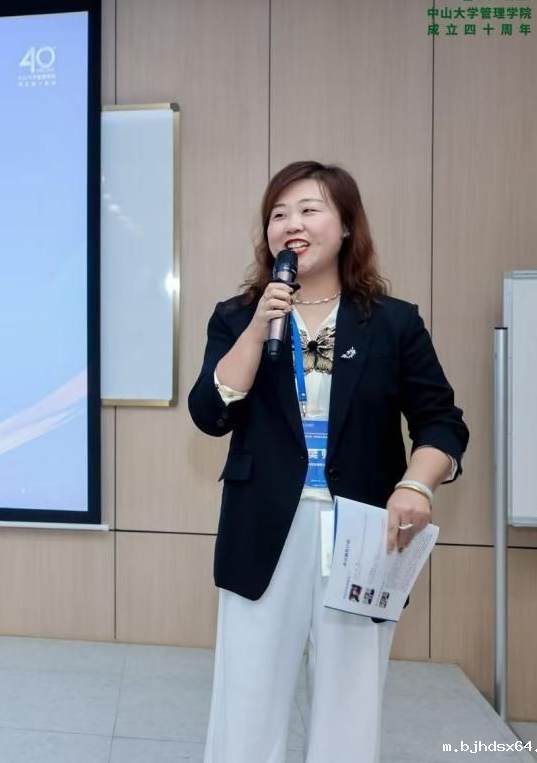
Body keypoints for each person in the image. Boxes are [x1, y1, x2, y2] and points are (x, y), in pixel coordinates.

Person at [188, 161, 468, 763]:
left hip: (365, 532)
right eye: (278, 214)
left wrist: (417, 485)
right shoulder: (238, 316)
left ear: (345, 226)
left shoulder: (392, 322)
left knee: (349, 702)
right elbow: (210, 414)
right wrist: (258, 326)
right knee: (247, 699)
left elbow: (442, 422)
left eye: (309, 210)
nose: (291, 224)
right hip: (263, 525)